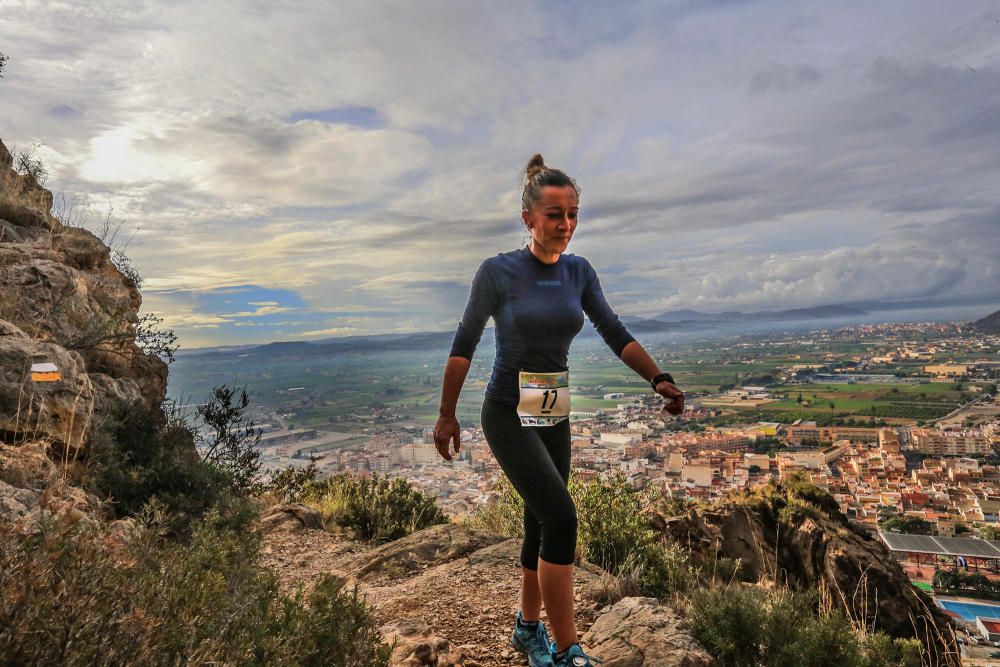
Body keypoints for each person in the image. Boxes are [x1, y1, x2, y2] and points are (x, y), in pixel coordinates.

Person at [433, 154, 684, 667]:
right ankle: (569, 650)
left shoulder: (579, 272)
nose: (565, 224)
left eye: (573, 213)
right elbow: (464, 344)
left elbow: (614, 332)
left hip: (551, 405)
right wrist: (446, 414)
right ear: (528, 217)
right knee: (562, 517)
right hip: (506, 408)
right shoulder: (498, 271)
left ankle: (528, 630)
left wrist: (658, 377)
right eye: (554, 214)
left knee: (539, 520)